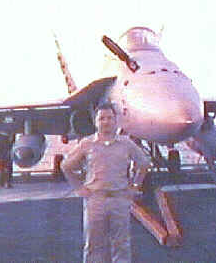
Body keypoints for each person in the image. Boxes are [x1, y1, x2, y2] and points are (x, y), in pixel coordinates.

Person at [61, 103, 151, 263]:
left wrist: (135, 186)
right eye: (102, 118)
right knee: (93, 245)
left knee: (121, 244)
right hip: (96, 200)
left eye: (110, 118)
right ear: (96, 122)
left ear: (116, 120)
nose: (106, 122)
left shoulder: (127, 143)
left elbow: (144, 163)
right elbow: (66, 166)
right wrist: (79, 188)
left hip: (120, 200)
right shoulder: (87, 144)